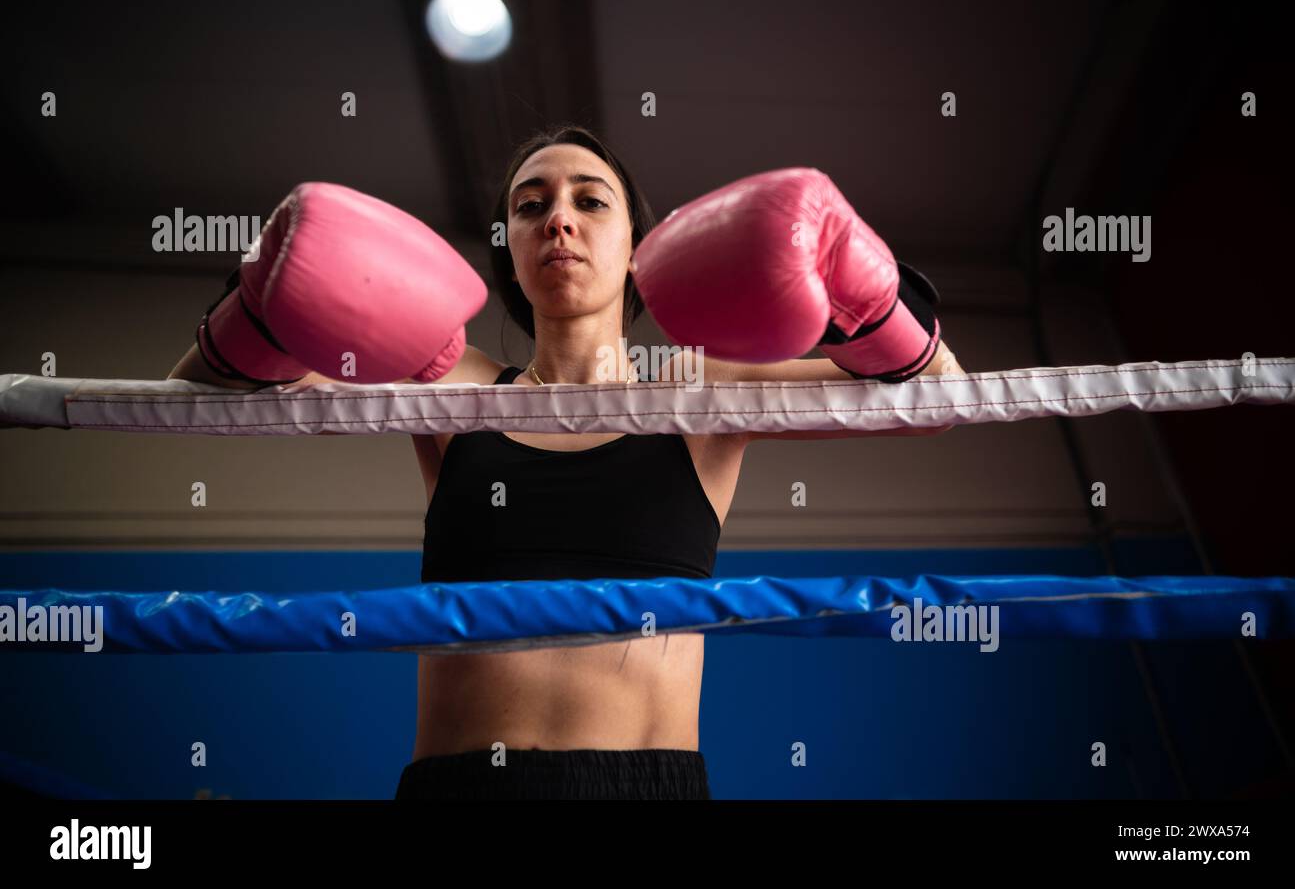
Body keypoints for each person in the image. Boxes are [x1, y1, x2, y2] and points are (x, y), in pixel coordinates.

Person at [167, 124, 964, 799]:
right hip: (460, 786)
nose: (558, 220)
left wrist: (852, 296)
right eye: (530, 205)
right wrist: (263, 298)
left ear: (637, 248)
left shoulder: (700, 391)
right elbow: (193, 397)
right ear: (508, 248)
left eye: (590, 200)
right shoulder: (450, 383)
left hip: (646, 784)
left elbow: (938, 398)